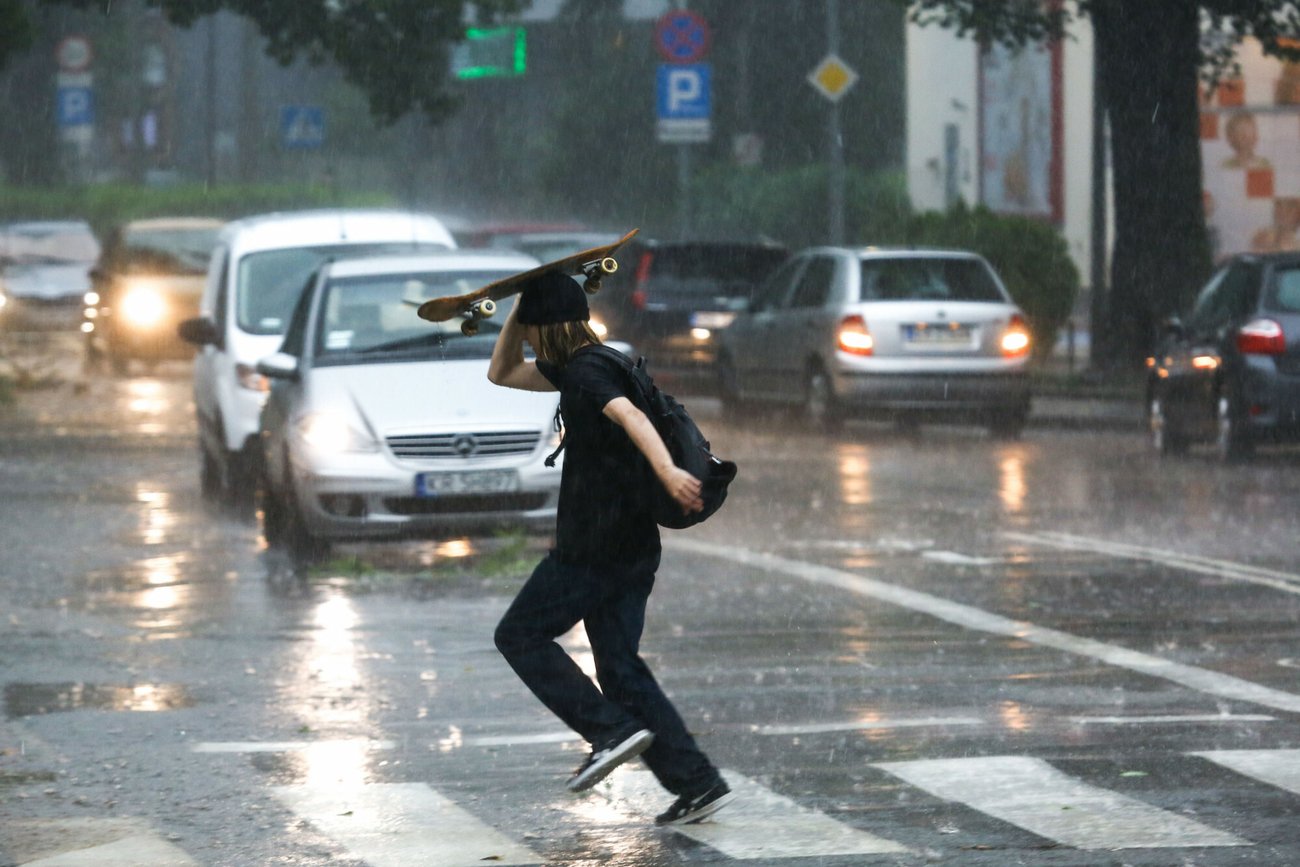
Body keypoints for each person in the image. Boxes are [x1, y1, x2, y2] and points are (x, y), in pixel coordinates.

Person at [487, 270, 734, 826]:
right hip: (633, 545)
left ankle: (608, 730)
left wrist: (668, 470)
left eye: (530, 329)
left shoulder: (585, 375)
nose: (525, 338)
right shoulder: (603, 360)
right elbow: (500, 372)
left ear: (545, 329)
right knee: (620, 670)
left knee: (519, 635)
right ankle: (697, 783)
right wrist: (517, 305)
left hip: (591, 547)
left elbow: (631, 416)